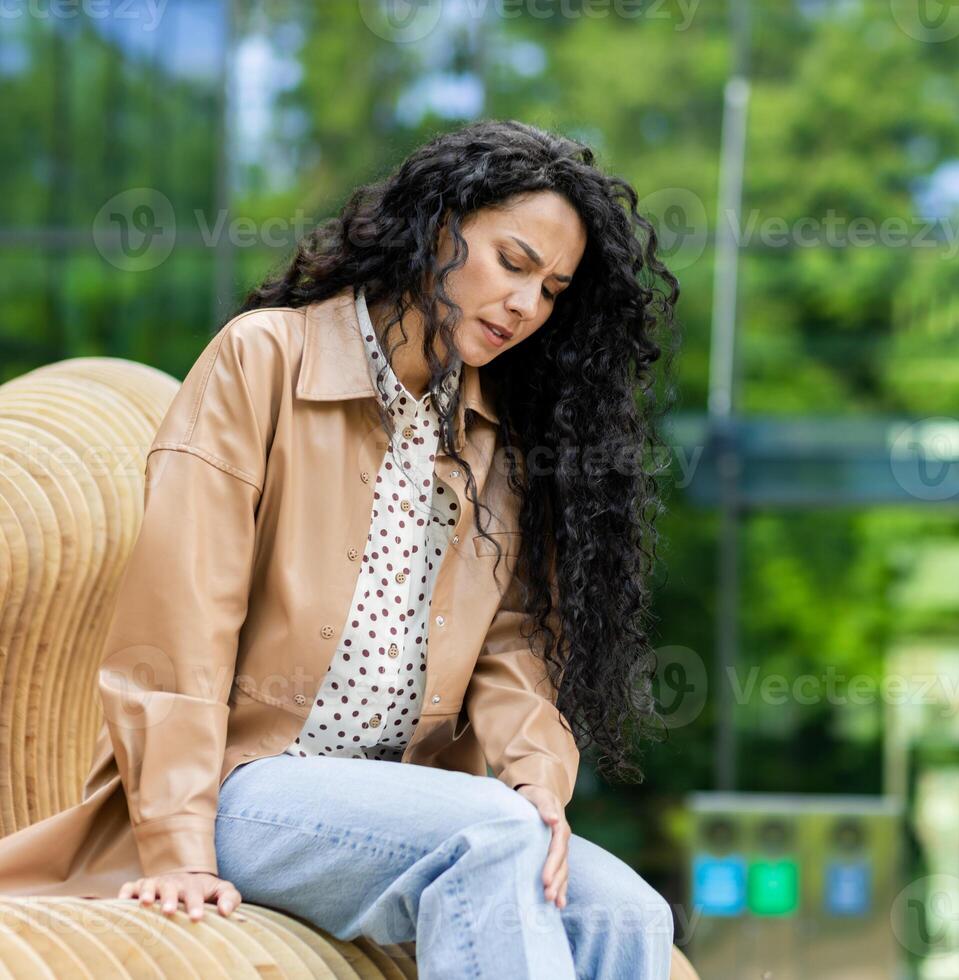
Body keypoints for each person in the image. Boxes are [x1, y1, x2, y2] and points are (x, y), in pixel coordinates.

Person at [0, 118, 682, 979]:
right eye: (513, 264)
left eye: (552, 290)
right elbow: (179, 621)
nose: (526, 306)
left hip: (406, 797)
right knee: (489, 832)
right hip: (245, 787)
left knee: (629, 911)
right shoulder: (265, 362)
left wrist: (538, 780)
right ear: (438, 226)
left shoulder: (497, 440)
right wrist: (179, 843)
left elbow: (515, 646)